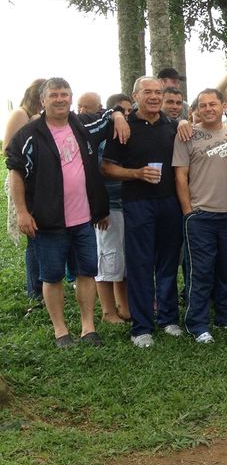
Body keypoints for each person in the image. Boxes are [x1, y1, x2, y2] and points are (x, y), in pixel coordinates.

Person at [6, 78, 129, 347]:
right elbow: (16, 172)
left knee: (86, 272)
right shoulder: (29, 134)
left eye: (65, 94)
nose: (60, 99)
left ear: (71, 99)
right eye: (54, 95)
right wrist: (22, 212)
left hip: (84, 219)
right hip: (48, 220)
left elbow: (108, 114)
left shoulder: (83, 126)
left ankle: (88, 327)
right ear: (43, 100)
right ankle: (61, 330)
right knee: (52, 276)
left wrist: (118, 115)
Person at [102, 77, 184, 347]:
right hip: (138, 202)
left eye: (158, 92)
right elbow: (107, 168)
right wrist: (135, 173)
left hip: (170, 202)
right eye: (147, 92)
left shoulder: (172, 126)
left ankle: (169, 319)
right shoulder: (124, 126)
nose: (153, 96)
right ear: (135, 95)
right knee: (139, 264)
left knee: (168, 262)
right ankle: (141, 328)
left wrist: (184, 122)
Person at [173, 88, 227, 343]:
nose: (208, 109)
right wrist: (188, 211)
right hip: (201, 216)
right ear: (196, 109)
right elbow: (180, 176)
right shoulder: (187, 135)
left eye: (212, 104)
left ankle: (226, 317)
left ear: (223, 107)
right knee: (201, 272)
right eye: (202, 105)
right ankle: (198, 324)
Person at [5, 78, 45, 303]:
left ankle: (42, 284)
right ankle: (35, 290)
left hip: (40, 182)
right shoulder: (21, 114)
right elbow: (8, 148)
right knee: (33, 234)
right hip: (22, 178)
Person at [94, 93, 133, 323]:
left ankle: (124, 307)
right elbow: (97, 174)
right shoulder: (103, 139)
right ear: (111, 113)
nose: (127, 115)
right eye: (122, 111)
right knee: (106, 259)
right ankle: (108, 311)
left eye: (130, 111)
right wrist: (100, 208)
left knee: (123, 259)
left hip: (128, 204)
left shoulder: (127, 135)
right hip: (108, 207)